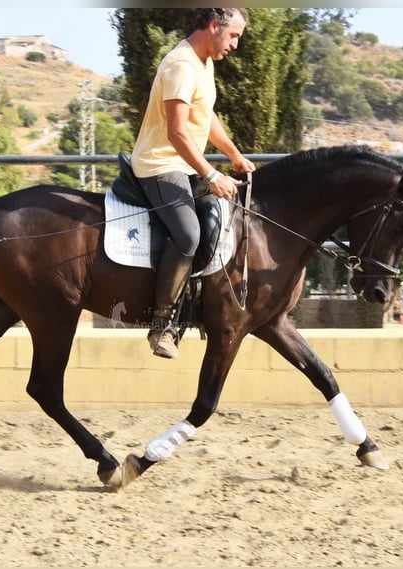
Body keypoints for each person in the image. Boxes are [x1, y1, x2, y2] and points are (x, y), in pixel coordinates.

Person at [131, 8, 256, 359]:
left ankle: (199, 304)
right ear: (214, 26)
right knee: (188, 235)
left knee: (222, 223)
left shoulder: (204, 63)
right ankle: (162, 325)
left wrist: (232, 154)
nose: (234, 45)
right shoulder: (181, 66)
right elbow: (177, 131)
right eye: (233, 36)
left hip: (184, 164)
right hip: (159, 164)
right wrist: (212, 174)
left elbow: (206, 114)